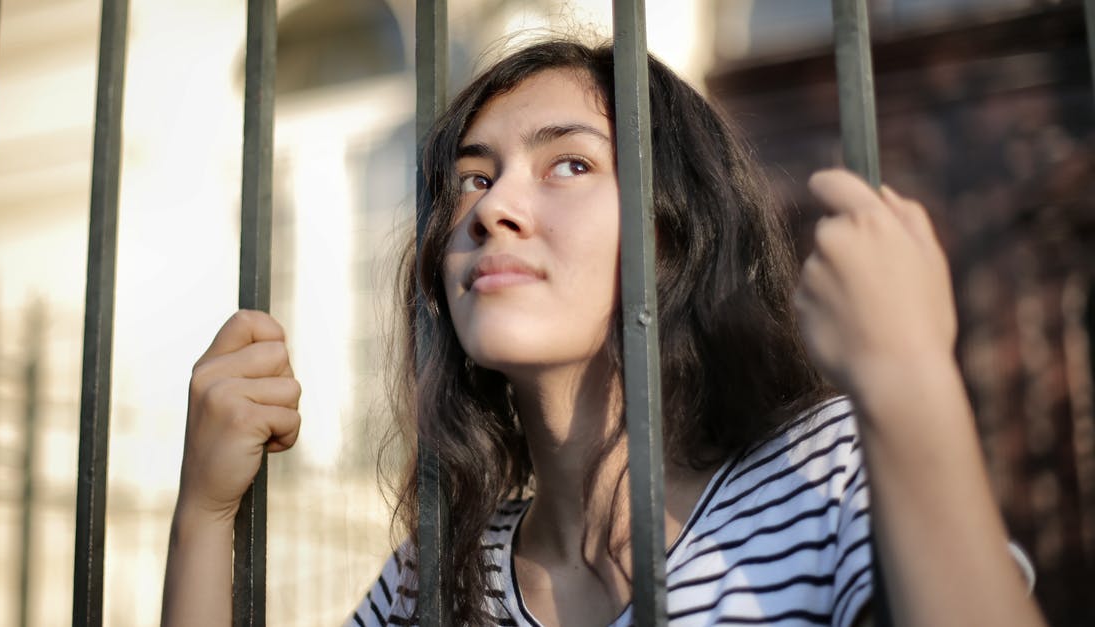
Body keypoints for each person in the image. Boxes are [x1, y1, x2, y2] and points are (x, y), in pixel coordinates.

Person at [161, 40, 1046, 627]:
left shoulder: (821, 471)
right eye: (472, 178)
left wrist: (913, 385)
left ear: (672, 229)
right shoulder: (435, 574)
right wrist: (204, 513)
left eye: (570, 164)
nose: (494, 207)